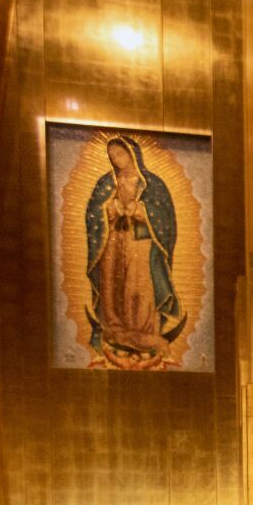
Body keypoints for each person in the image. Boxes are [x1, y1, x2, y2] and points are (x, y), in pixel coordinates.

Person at [85, 134, 187, 367]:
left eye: (120, 154)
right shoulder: (106, 183)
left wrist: (140, 209)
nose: (117, 160)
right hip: (113, 242)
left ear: (132, 153)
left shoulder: (152, 184)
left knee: (138, 286)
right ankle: (115, 328)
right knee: (112, 284)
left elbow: (165, 218)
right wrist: (111, 208)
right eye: (112, 157)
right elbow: (93, 215)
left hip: (140, 244)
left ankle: (144, 330)